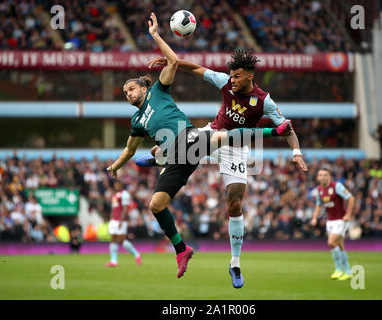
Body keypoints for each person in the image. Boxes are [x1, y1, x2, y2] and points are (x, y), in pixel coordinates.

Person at [107, 12, 294, 279]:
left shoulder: (159, 90)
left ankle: (273, 132)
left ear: (143, 88)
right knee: (156, 205)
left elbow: (173, 61)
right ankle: (181, 250)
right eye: (125, 93)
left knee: (219, 137)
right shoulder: (137, 120)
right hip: (181, 156)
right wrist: (115, 166)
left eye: (131, 90)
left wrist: (156, 35)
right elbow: (128, 149)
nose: (128, 95)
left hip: (191, 138)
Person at [147, 49, 307, 288]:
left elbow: (287, 128)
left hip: (236, 149)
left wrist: (296, 153)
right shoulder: (224, 82)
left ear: (250, 75)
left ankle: (234, 263)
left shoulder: (264, 101)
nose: (232, 79)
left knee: (234, 203)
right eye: (231, 75)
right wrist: (173, 62)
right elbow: (196, 68)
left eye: (238, 76)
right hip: (213, 134)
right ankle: (164, 155)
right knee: (186, 138)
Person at [310, 166, 355, 281]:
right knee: (340, 246)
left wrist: (348, 214)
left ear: (329, 177)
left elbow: (351, 198)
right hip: (330, 221)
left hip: (340, 220)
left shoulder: (337, 186)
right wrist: (315, 217)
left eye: (325, 175)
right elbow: (319, 204)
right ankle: (348, 272)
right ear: (318, 177)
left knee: (331, 242)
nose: (323, 177)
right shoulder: (319, 189)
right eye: (321, 175)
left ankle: (338, 269)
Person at [105, 180, 142, 267]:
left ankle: (136, 254)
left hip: (121, 220)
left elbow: (125, 208)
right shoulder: (115, 195)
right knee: (113, 239)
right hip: (114, 220)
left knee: (122, 240)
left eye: (118, 184)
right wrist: (111, 217)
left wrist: (121, 220)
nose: (116, 186)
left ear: (121, 185)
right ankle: (113, 261)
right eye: (115, 185)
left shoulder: (124, 194)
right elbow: (114, 207)